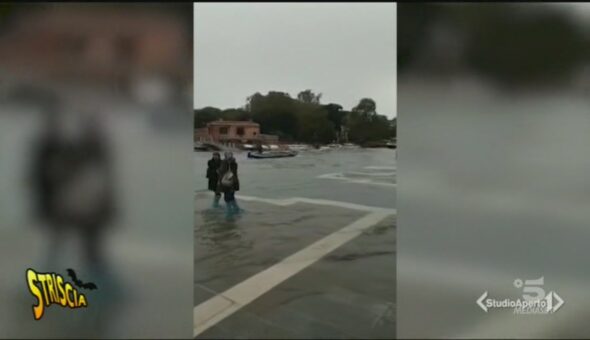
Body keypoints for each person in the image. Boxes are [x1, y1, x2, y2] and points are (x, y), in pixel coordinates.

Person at [217, 151, 241, 216]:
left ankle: (229, 212)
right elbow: (233, 172)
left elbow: (221, 171)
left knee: (227, 197)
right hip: (233, 181)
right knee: (231, 196)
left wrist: (218, 170)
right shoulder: (234, 163)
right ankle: (236, 209)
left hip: (227, 182)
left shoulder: (225, 162)